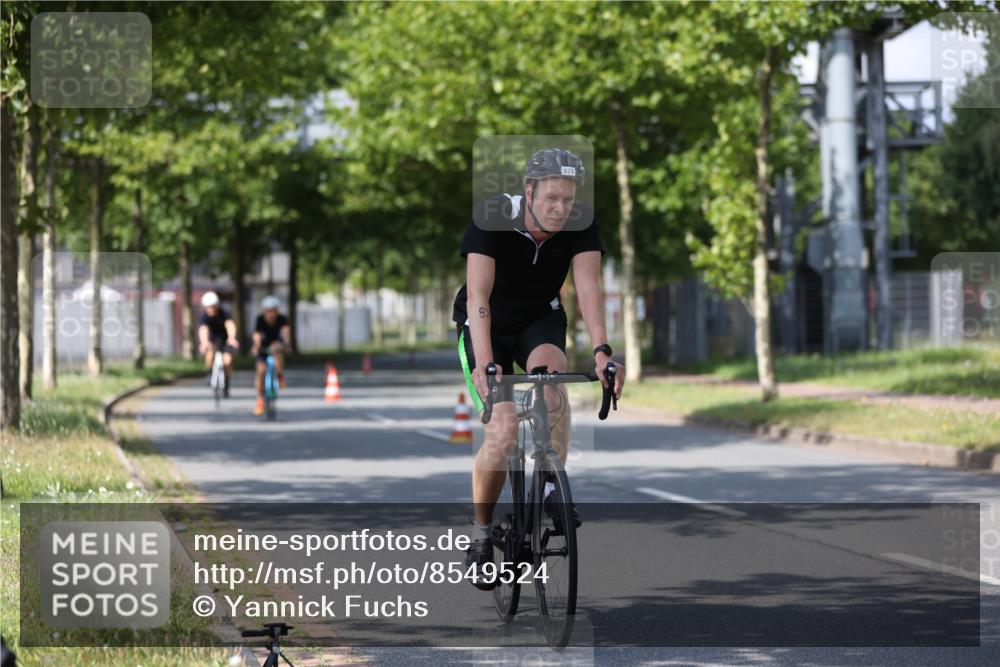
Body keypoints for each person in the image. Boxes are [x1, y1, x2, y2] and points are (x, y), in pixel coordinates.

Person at [454, 148, 625, 589]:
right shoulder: (493, 216)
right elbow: (478, 298)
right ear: (528, 191)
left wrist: (602, 352)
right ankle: (480, 535)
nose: (560, 208)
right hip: (486, 323)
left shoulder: (581, 222)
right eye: (552, 198)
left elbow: (589, 287)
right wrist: (486, 363)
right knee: (503, 431)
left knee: (552, 383)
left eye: (568, 199)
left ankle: (549, 483)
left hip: (539, 318)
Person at [252, 295, 292, 416]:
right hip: (263, 348)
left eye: (273, 311)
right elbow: (257, 335)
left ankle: (279, 375)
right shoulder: (260, 320)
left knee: (277, 354)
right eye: (268, 311)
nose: (271, 314)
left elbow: (286, 332)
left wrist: (287, 344)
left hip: (276, 346)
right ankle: (260, 399)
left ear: (277, 311)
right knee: (261, 371)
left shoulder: (282, 319)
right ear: (264, 311)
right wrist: (256, 346)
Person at [197, 291, 238, 395]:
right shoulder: (203, 316)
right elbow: (203, 329)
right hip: (212, 341)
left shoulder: (225, 313)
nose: (211, 309)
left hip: (225, 340)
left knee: (227, 361)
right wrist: (204, 342)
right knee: (210, 354)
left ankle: (226, 382)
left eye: (213, 306)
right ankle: (210, 373)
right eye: (208, 307)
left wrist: (232, 338)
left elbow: (230, 325)